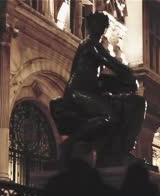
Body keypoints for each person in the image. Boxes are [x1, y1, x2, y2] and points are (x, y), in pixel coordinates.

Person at [50, 12, 146, 167]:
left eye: (102, 25)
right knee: (109, 117)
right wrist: (129, 76)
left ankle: (116, 153)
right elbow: (112, 63)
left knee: (131, 105)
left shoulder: (95, 46)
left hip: (90, 92)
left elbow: (102, 74)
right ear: (89, 26)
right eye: (96, 24)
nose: (99, 28)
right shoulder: (90, 45)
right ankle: (70, 143)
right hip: (78, 93)